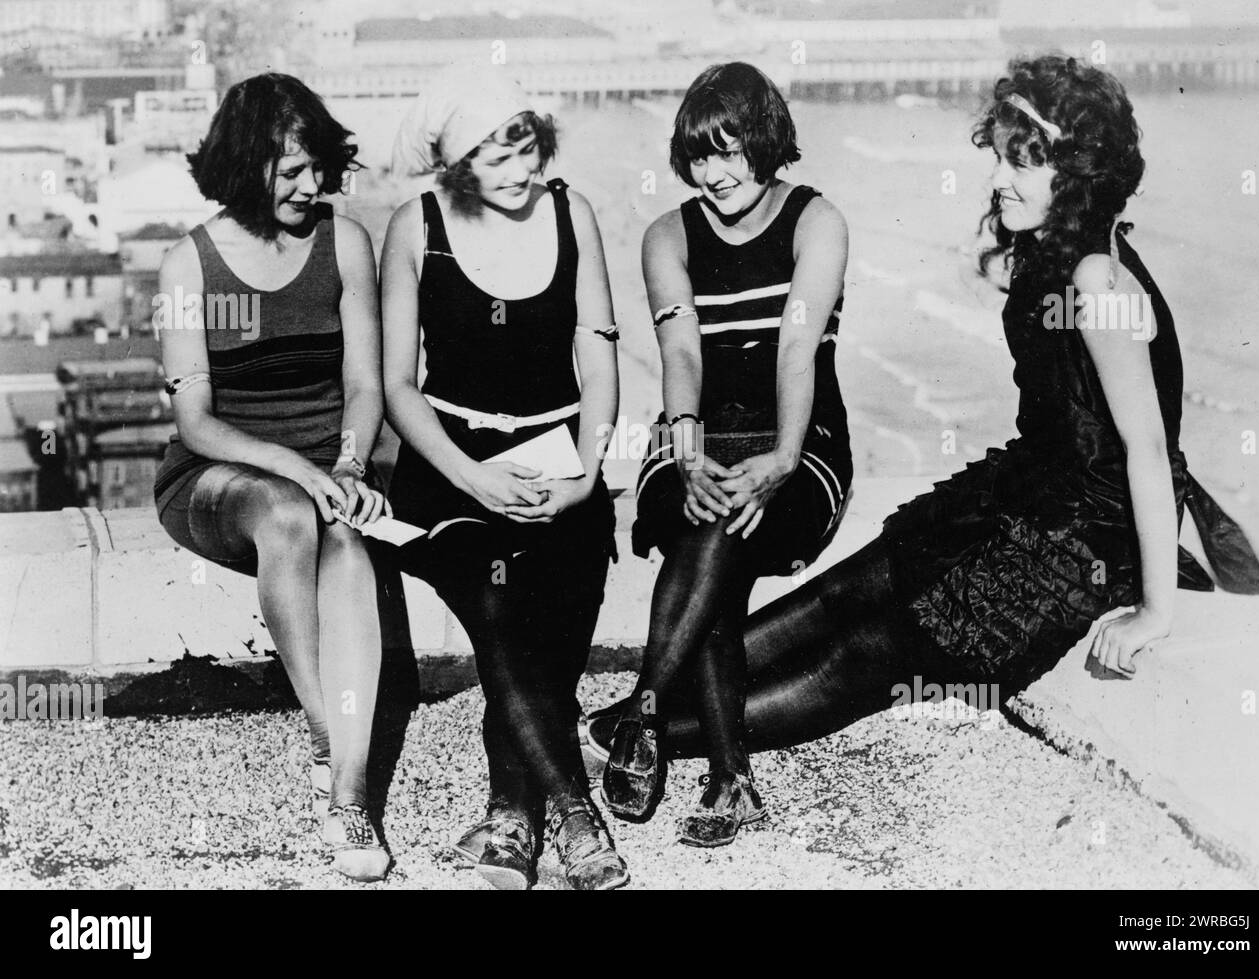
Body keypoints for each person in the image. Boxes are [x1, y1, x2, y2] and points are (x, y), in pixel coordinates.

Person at [587, 56, 1259, 774]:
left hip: (1077, 543)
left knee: (864, 654)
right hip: (1022, 493)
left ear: (1081, 174)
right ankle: (643, 711)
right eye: (1001, 157)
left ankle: (640, 731)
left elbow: (1149, 449)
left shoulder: (1097, 281)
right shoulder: (1050, 252)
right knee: (844, 591)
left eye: (1024, 164)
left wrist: (1154, 609)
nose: (999, 178)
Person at [382, 68, 628, 890]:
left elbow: (597, 353)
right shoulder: (415, 229)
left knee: (553, 633)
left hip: (560, 463)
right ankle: (574, 812)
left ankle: (508, 814)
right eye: (494, 157)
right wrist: (473, 480)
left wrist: (590, 472)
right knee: (497, 609)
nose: (519, 170)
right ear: (455, 167)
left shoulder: (572, 213)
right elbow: (396, 388)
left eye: (524, 146)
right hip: (449, 473)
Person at [598, 62, 853, 847]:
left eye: (732, 150)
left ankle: (646, 704)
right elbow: (681, 356)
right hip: (694, 437)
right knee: (709, 533)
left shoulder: (816, 221)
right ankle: (727, 776)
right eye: (700, 155)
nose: (715, 173)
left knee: (719, 537)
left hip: (799, 440)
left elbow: (796, 349)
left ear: (767, 141)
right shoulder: (667, 235)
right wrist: (683, 451)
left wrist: (778, 458)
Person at [153, 73, 391, 882]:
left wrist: (351, 462)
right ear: (242, 163)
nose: (311, 184)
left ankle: (350, 794)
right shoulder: (186, 265)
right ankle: (328, 729)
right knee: (289, 516)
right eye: (289, 168)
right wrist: (301, 466)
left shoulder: (344, 242)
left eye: (318, 165)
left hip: (330, 465)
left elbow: (365, 386)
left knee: (350, 550)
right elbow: (197, 421)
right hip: (221, 479)